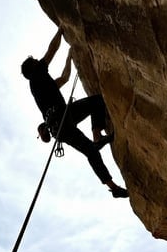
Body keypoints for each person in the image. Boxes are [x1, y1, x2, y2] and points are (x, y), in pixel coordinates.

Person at [21, 28, 129, 198]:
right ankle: (113, 187)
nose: (37, 60)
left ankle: (97, 136)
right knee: (91, 150)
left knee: (97, 103)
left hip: (64, 117)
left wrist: (70, 57)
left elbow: (64, 78)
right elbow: (52, 50)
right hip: (61, 121)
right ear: (33, 67)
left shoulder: (43, 86)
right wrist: (60, 30)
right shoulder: (36, 76)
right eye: (35, 60)